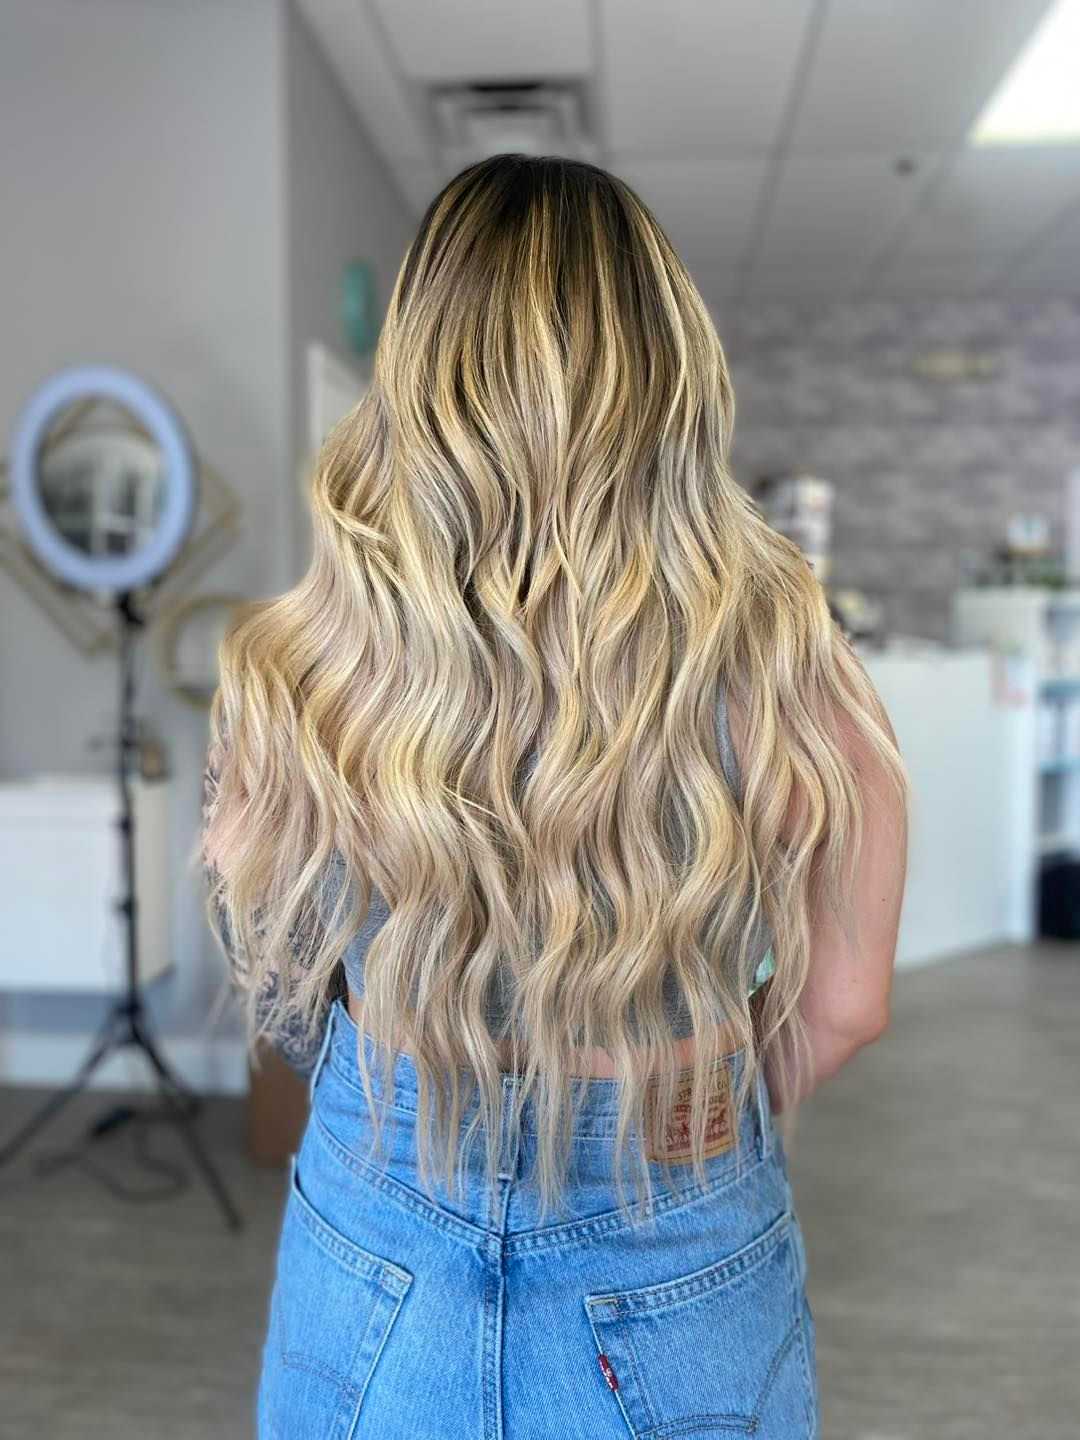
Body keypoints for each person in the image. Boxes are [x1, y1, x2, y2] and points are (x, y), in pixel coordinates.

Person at [200, 153, 908, 1440]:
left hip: (379, 1220)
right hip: (678, 1214)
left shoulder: (297, 662)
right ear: (670, 372)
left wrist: (395, 1086)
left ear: (417, 373)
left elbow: (278, 971)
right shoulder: (796, 658)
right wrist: (700, 1113)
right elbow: (847, 1004)